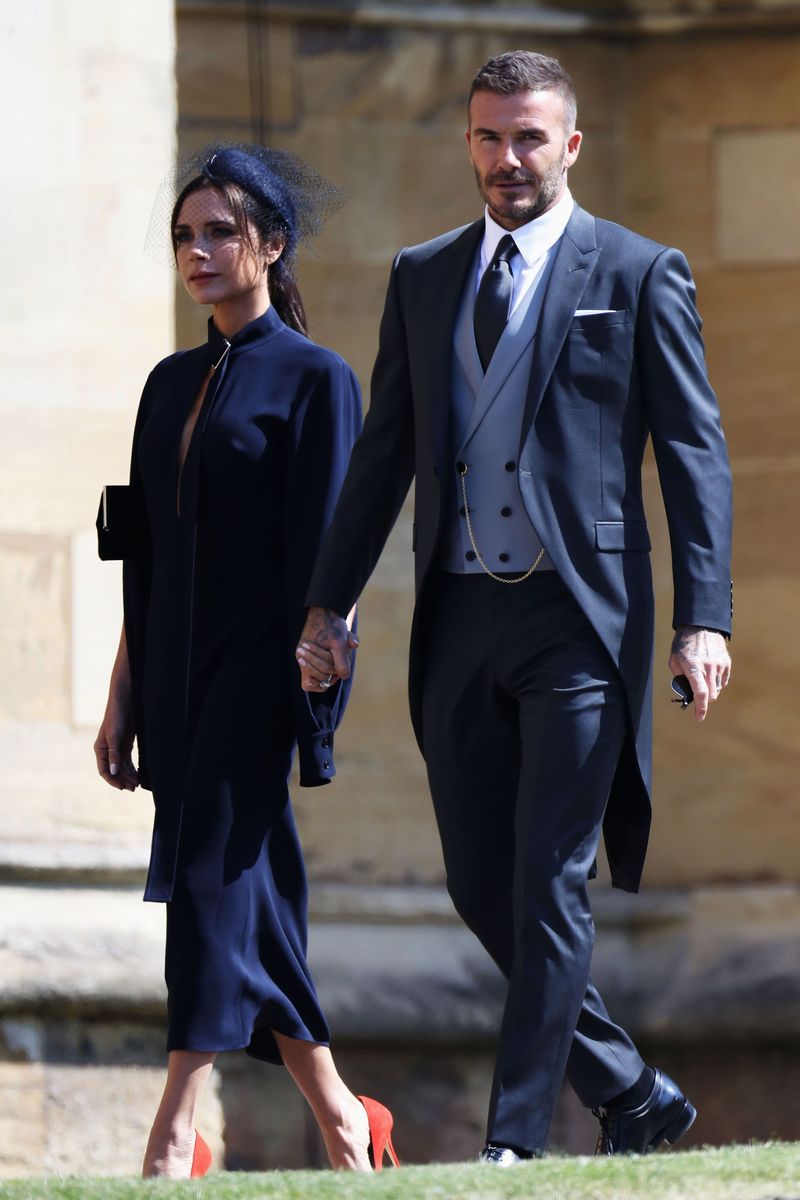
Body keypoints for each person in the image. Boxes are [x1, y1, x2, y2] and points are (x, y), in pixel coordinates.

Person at [295, 52, 733, 1162]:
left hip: (579, 618)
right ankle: (627, 1086)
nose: (506, 159)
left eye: (528, 138)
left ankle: (515, 1145)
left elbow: (691, 452)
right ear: (469, 146)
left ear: (569, 145)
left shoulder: (637, 271)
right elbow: (383, 452)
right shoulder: (422, 273)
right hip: (457, 613)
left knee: (546, 878)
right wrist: (325, 607)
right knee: (479, 885)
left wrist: (703, 617)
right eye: (488, 138)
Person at [94, 143, 398, 1179]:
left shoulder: (316, 378)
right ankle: (345, 1117)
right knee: (246, 886)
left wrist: (324, 655)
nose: (198, 250)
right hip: (173, 676)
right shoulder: (165, 383)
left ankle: (173, 1125)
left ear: (271, 246)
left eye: (220, 231)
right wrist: (120, 691)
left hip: (264, 671)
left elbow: (333, 550)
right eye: (185, 235)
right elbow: (142, 552)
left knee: (209, 879)